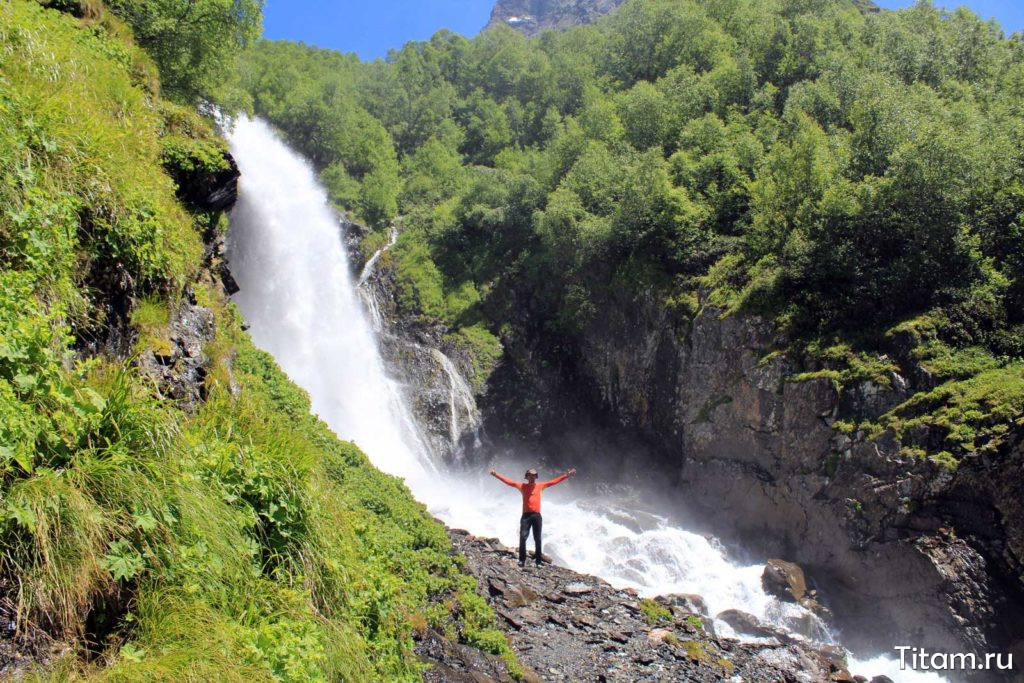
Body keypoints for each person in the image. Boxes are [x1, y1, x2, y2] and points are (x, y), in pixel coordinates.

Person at [489, 467, 576, 567]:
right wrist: (496, 475)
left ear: (536, 477)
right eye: (530, 475)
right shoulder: (522, 486)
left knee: (537, 538)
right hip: (526, 516)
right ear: (527, 477)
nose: (532, 477)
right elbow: (509, 482)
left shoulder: (541, 486)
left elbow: (554, 482)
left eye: (534, 475)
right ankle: (522, 560)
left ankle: (538, 561)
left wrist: (567, 475)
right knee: (522, 537)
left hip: (536, 516)